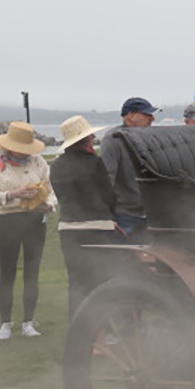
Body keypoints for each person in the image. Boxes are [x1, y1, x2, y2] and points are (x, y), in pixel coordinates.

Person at [0, 122, 57, 341]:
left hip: (35, 220)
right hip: (9, 220)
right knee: (8, 273)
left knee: (32, 273)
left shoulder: (39, 162)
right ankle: (5, 323)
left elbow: (52, 192)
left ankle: (28, 322)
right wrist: (14, 194)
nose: (25, 153)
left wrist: (47, 204)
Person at [49, 115, 121, 320]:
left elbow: (60, 195)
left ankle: (78, 328)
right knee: (102, 280)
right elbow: (108, 194)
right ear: (86, 139)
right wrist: (113, 214)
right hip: (98, 227)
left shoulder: (56, 165)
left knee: (77, 282)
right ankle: (102, 328)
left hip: (69, 228)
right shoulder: (94, 162)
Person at [101, 96, 156, 238]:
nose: (152, 119)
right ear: (130, 116)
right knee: (125, 257)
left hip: (149, 213)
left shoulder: (148, 137)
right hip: (124, 215)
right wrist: (108, 215)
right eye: (147, 115)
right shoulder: (113, 139)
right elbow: (107, 178)